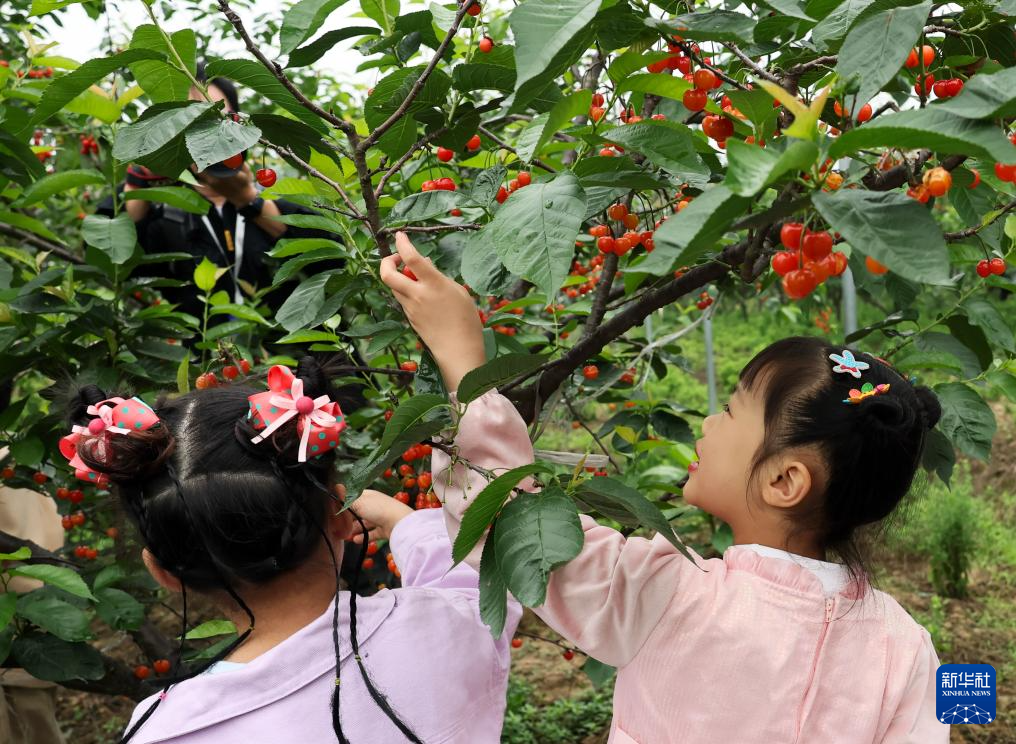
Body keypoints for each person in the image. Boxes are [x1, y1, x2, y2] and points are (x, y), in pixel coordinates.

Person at [380, 232, 952, 744]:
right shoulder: (909, 650)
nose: (709, 422)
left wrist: (464, 364)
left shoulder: (667, 596)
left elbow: (512, 527)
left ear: (784, 480)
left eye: (731, 411)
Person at [63, 357, 520, 744]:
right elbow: (484, 566)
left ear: (162, 571)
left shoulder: (167, 731)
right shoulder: (451, 625)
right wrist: (402, 519)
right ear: (340, 513)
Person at [97, 63, 338, 316]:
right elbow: (112, 269)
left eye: (220, 117)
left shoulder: (276, 187)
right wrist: (140, 181)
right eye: (193, 121)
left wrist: (248, 199)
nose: (209, 134)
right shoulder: (162, 204)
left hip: (283, 339)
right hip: (198, 340)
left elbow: (332, 264)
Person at [0, 382, 66, 744]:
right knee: (38, 723)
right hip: (36, 619)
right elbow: (52, 540)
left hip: (17, 626)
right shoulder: (18, 464)